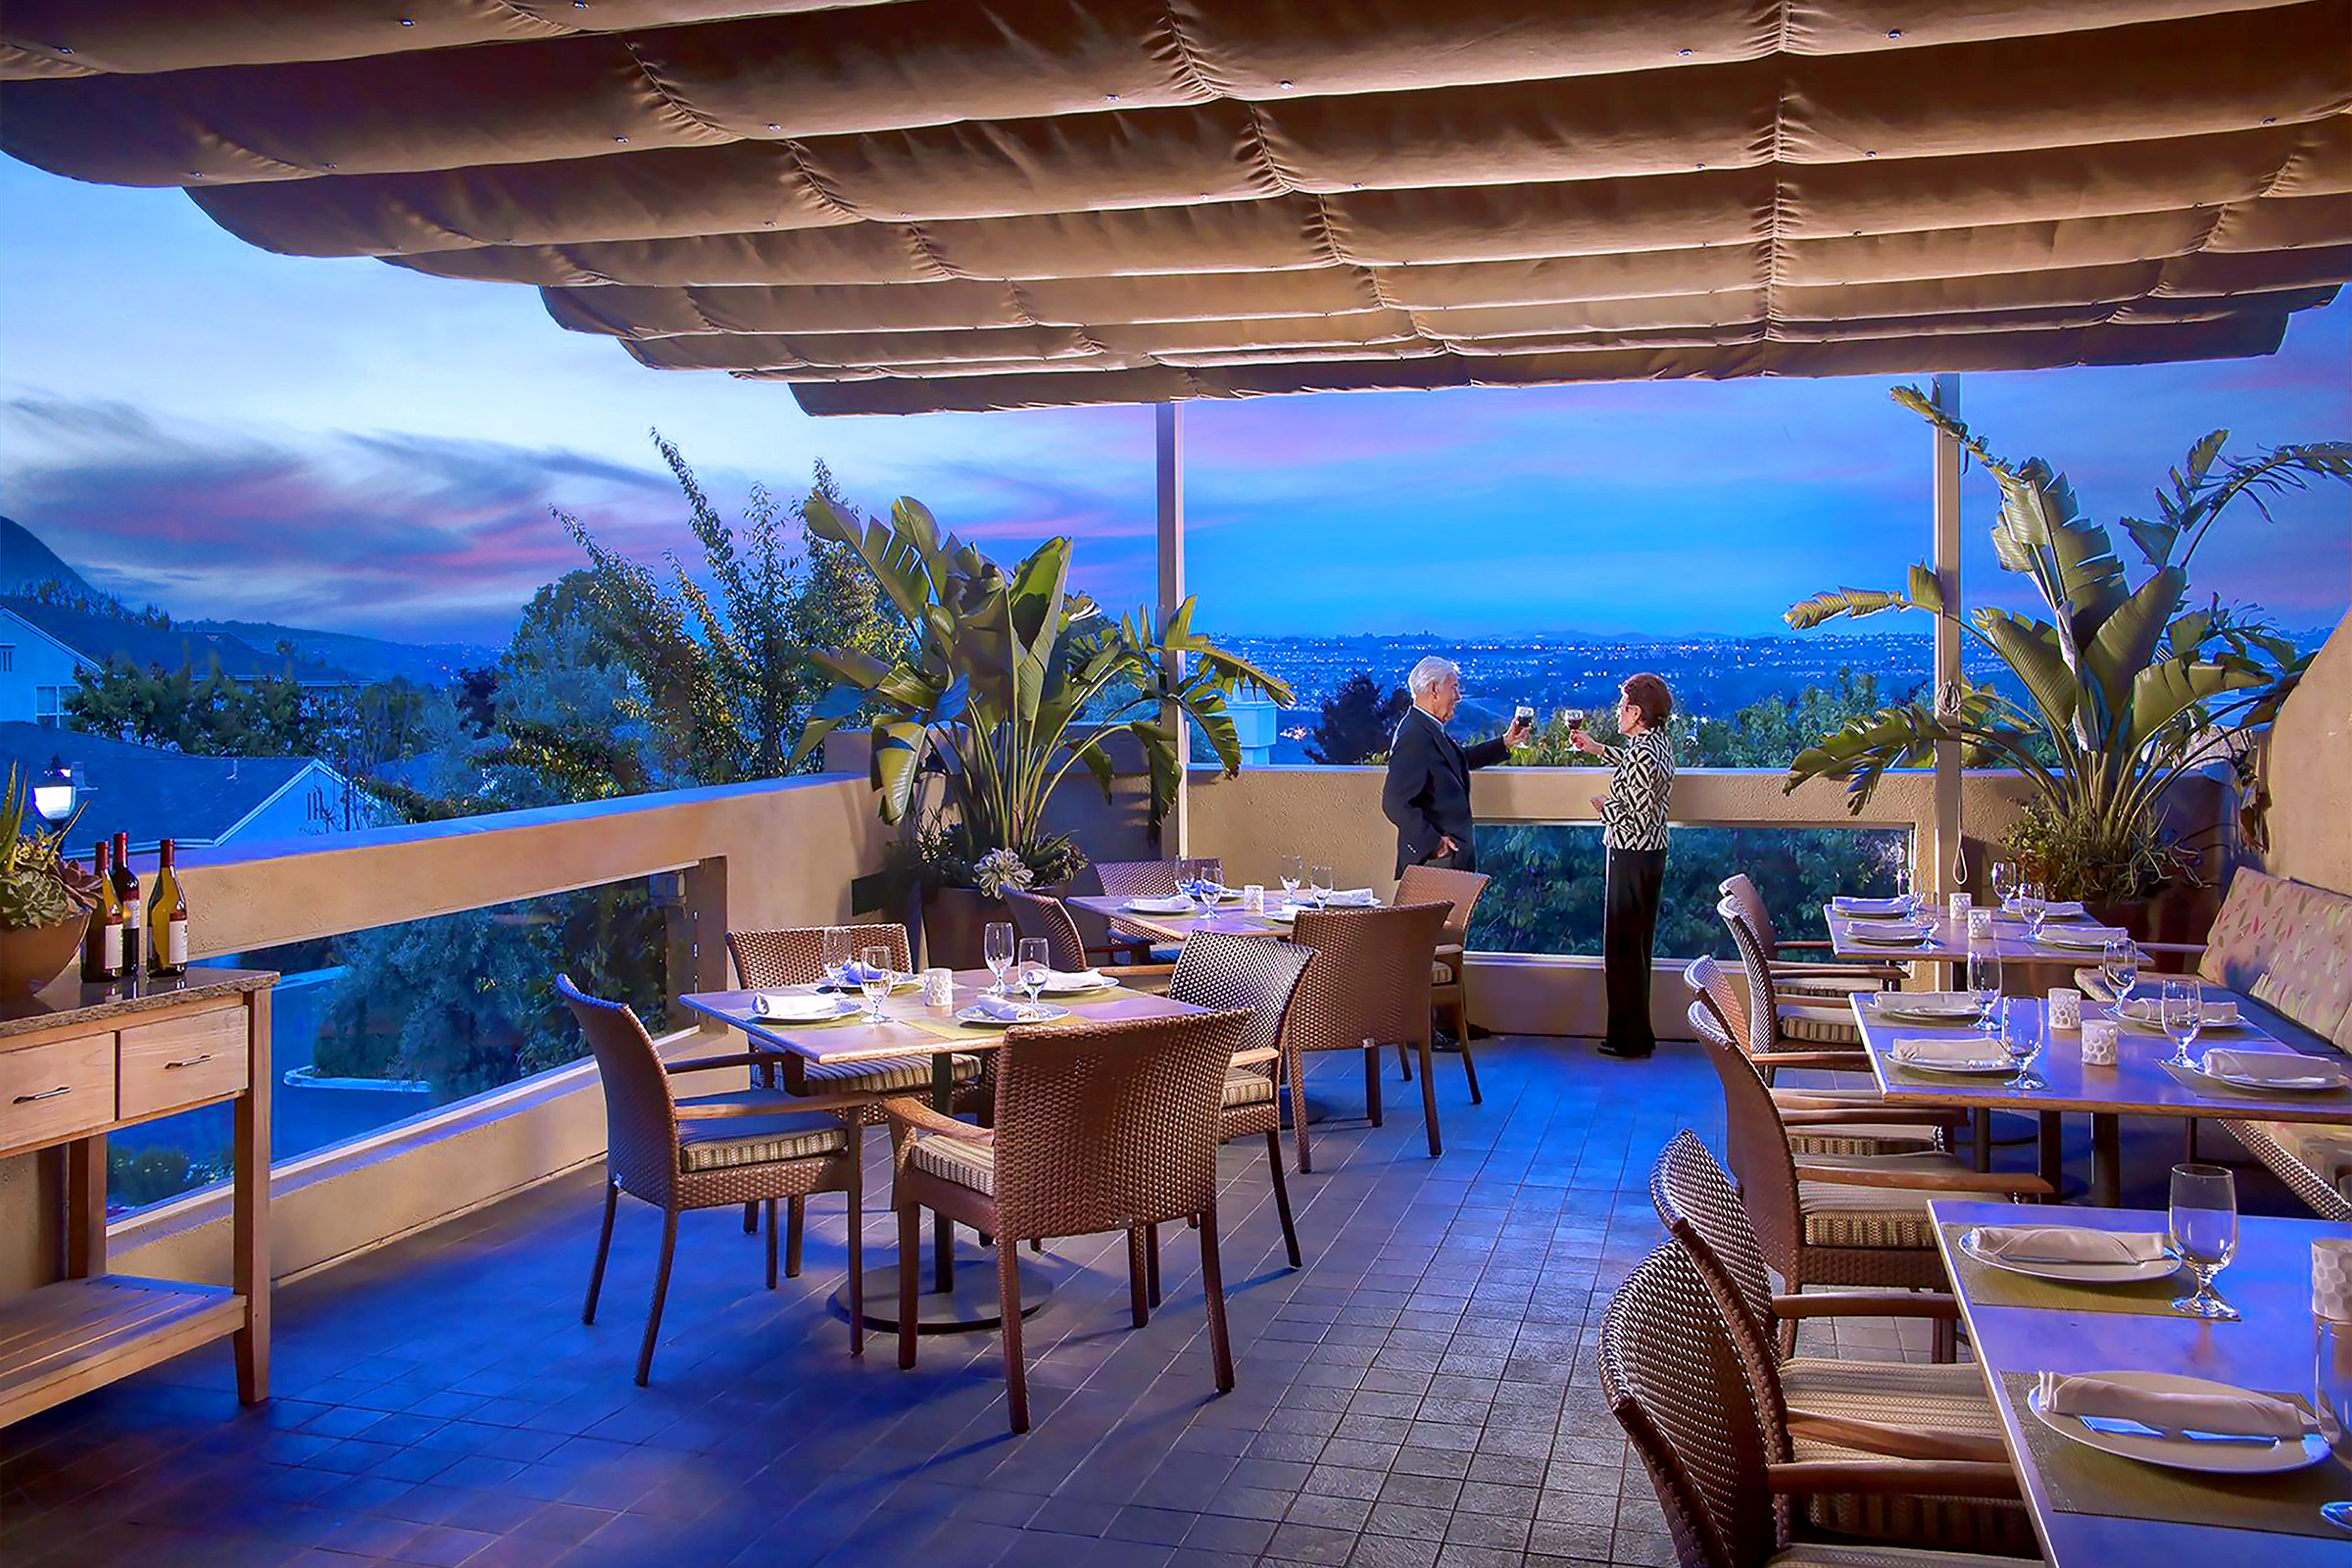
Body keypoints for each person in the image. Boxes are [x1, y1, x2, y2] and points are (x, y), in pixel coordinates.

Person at [1571, 673, 1677, 1058]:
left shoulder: (1644, 753)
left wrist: (1604, 807)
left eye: (1622, 707)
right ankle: (1636, 1033)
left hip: (1631, 854)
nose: (1618, 712)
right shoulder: (1655, 744)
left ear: (1636, 712)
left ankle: (1628, 1038)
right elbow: (1633, 765)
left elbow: (1637, 813)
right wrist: (1598, 749)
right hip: (1649, 854)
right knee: (1636, 946)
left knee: (1622, 949)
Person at [1382, 656, 1532, 877]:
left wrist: (1505, 743)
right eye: (1453, 688)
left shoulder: (1427, 728)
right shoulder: (1414, 736)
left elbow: (1458, 759)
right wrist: (1434, 844)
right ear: (1433, 689)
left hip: (1446, 861)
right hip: (1435, 863)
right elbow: (1394, 802)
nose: (1458, 697)